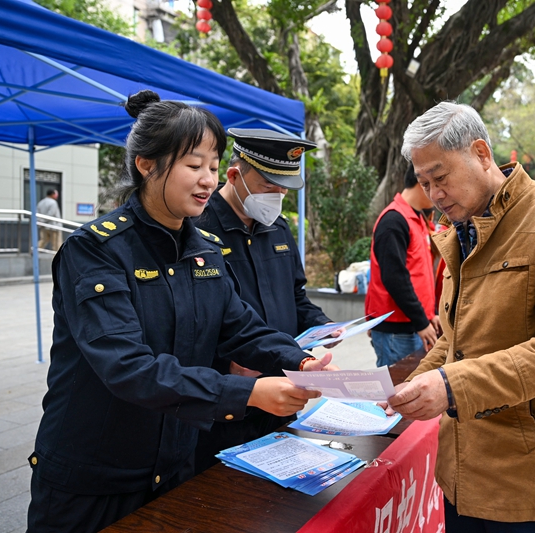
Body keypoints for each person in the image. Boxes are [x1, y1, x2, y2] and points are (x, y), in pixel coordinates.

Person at [26, 90, 336, 533]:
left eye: (213, 166)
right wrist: (247, 393)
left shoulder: (204, 251)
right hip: (94, 479)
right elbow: (129, 369)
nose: (208, 179)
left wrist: (301, 361)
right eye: (194, 165)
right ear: (146, 165)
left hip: (174, 467)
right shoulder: (96, 252)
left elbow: (241, 326)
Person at [387, 102, 535, 531]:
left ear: (482, 154)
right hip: (464, 473)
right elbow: (455, 338)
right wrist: (414, 386)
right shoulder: (459, 230)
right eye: (424, 183)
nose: (434, 195)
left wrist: (452, 386)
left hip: (534, 475)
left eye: (441, 177)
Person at [193, 128, 339, 473]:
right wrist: (225, 365)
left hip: (284, 392)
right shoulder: (197, 228)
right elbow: (191, 321)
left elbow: (296, 297)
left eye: (284, 189)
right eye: (268, 186)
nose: (277, 196)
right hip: (225, 400)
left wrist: (323, 325)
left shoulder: (278, 228)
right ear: (233, 175)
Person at [365, 164, 441, 366]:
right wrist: (421, 321)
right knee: (398, 392)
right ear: (422, 183)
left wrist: (429, 314)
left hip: (412, 324)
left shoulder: (416, 217)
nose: (439, 194)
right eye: (435, 185)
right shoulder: (393, 221)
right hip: (397, 330)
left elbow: (420, 273)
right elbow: (395, 278)